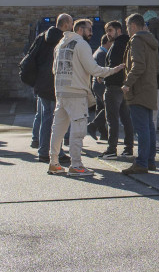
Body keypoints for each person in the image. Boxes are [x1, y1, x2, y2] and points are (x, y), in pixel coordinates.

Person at [48, 18, 123, 176]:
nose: (91, 32)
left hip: (61, 91)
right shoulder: (81, 44)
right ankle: (76, 165)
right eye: (89, 29)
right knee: (78, 129)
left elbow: (54, 69)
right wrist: (113, 70)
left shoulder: (60, 44)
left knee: (58, 129)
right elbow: (93, 69)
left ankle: (54, 162)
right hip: (76, 92)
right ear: (80, 30)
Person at [120, 14, 159, 175]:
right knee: (149, 127)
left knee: (142, 128)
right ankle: (149, 161)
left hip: (138, 89)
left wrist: (127, 83)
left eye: (128, 26)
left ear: (134, 26)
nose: (127, 30)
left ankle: (141, 162)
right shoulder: (151, 41)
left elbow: (138, 65)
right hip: (149, 87)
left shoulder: (136, 40)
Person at [28, 15, 70, 166]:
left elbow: (32, 57)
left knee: (45, 116)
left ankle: (46, 148)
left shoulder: (41, 37)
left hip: (41, 83)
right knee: (52, 119)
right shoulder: (63, 41)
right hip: (53, 83)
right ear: (65, 25)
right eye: (70, 24)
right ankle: (46, 151)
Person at [101, 19, 135, 159]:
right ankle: (128, 148)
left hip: (114, 86)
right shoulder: (129, 43)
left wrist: (104, 75)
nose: (108, 34)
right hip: (124, 87)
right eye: (106, 31)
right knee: (126, 118)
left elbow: (114, 67)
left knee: (112, 119)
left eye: (110, 30)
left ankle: (111, 149)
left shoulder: (117, 45)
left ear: (119, 30)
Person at [87, 29, 111, 142]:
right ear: (107, 42)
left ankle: (103, 133)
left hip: (96, 85)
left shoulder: (97, 52)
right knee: (108, 107)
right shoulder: (102, 54)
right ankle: (93, 126)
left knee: (100, 108)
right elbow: (102, 71)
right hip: (101, 84)